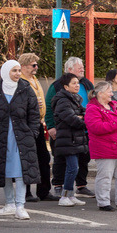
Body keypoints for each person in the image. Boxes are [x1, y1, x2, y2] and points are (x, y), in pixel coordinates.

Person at [0, 60, 41, 220]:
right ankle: (9, 204)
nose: (17, 73)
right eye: (14, 71)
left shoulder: (25, 89)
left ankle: (20, 205)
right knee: (5, 171)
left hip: (22, 138)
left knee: (20, 172)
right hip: (2, 137)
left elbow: (34, 113)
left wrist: (32, 133)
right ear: (5, 72)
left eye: (18, 70)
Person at [46, 57, 94, 198]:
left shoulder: (87, 84)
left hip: (83, 130)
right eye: (79, 68)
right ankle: (59, 186)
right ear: (70, 70)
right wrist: (51, 126)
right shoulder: (56, 86)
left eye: (83, 67)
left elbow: (93, 102)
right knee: (61, 159)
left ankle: (81, 185)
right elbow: (50, 107)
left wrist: (87, 118)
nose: (82, 69)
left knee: (84, 158)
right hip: (64, 130)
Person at [86, 80, 117, 211]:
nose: (112, 94)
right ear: (100, 93)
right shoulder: (92, 108)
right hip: (105, 150)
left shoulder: (114, 105)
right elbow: (96, 127)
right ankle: (103, 202)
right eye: (109, 92)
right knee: (105, 177)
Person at [51, 73, 90, 207]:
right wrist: (81, 119)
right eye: (73, 83)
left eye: (77, 83)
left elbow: (86, 113)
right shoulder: (63, 100)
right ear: (66, 87)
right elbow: (72, 119)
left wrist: (82, 117)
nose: (77, 85)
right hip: (67, 140)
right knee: (73, 168)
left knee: (75, 168)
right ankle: (65, 196)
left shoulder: (75, 99)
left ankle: (70, 195)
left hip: (74, 139)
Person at [19, 53, 52, 202]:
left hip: (38, 123)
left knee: (43, 157)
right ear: (24, 66)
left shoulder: (34, 80)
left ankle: (44, 191)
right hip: (26, 124)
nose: (36, 68)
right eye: (33, 65)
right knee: (27, 158)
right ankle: (25, 192)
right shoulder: (20, 81)